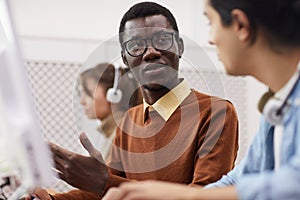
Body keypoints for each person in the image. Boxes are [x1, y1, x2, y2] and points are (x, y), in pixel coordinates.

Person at [30, 2, 239, 199]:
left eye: (163, 40)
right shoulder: (130, 120)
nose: (151, 53)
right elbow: (102, 192)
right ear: (125, 59)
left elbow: (205, 196)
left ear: (180, 47)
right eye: (137, 46)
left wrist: (103, 181)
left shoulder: (216, 112)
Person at [102, 0, 300, 199]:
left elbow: (293, 182)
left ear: (240, 25)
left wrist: (186, 196)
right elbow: (239, 178)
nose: (211, 39)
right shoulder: (276, 110)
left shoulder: (219, 111)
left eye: (210, 23)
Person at [79, 63, 142, 160]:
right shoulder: (114, 132)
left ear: (113, 95)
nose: (82, 102)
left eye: (88, 93)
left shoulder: (122, 134)